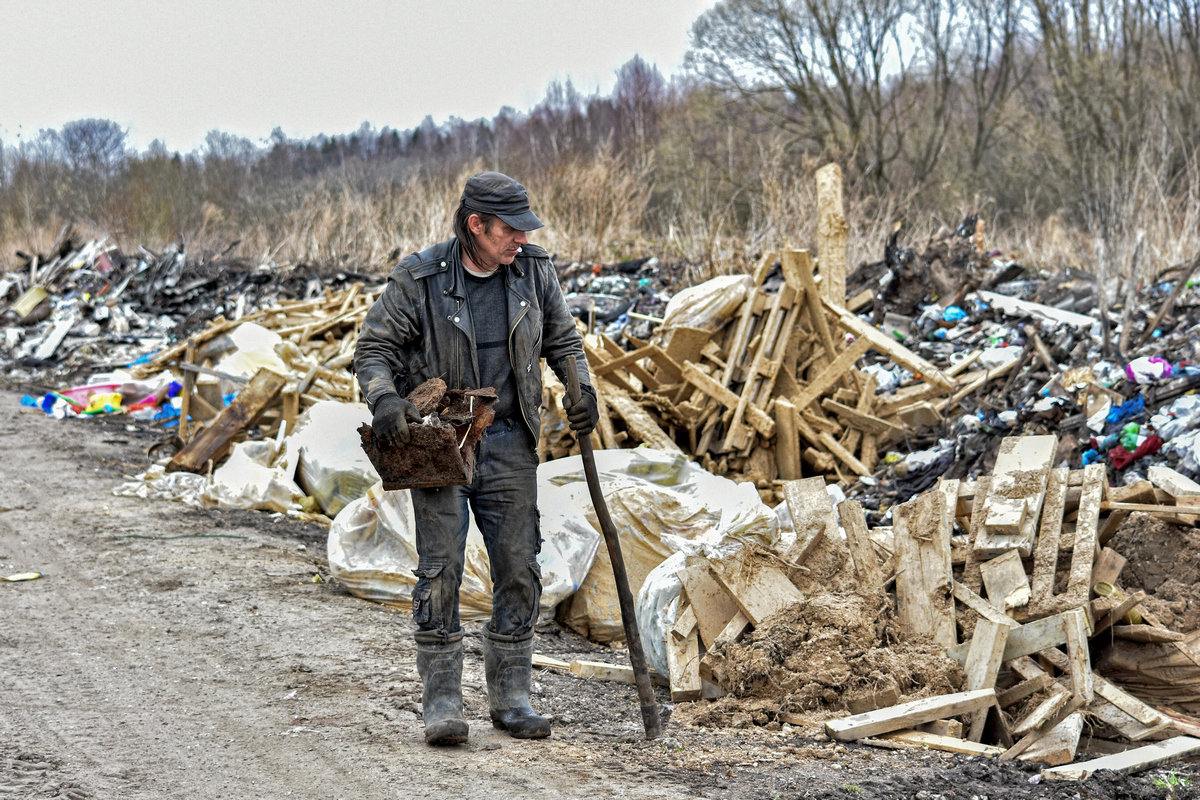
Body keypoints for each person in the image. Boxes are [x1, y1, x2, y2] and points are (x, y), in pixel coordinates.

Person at [353, 171, 598, 746]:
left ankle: (511, 698)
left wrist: (579, 387)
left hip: (511, 439)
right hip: (443, 443)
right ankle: (441, 701)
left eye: (524, 229)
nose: (520, 239)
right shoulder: (421, 277)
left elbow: (562, 338)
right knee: (441, 570)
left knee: (519, 566)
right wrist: (385, 398)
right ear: (475, 226)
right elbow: (374, 347)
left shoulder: (532, 270)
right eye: (509, 230)